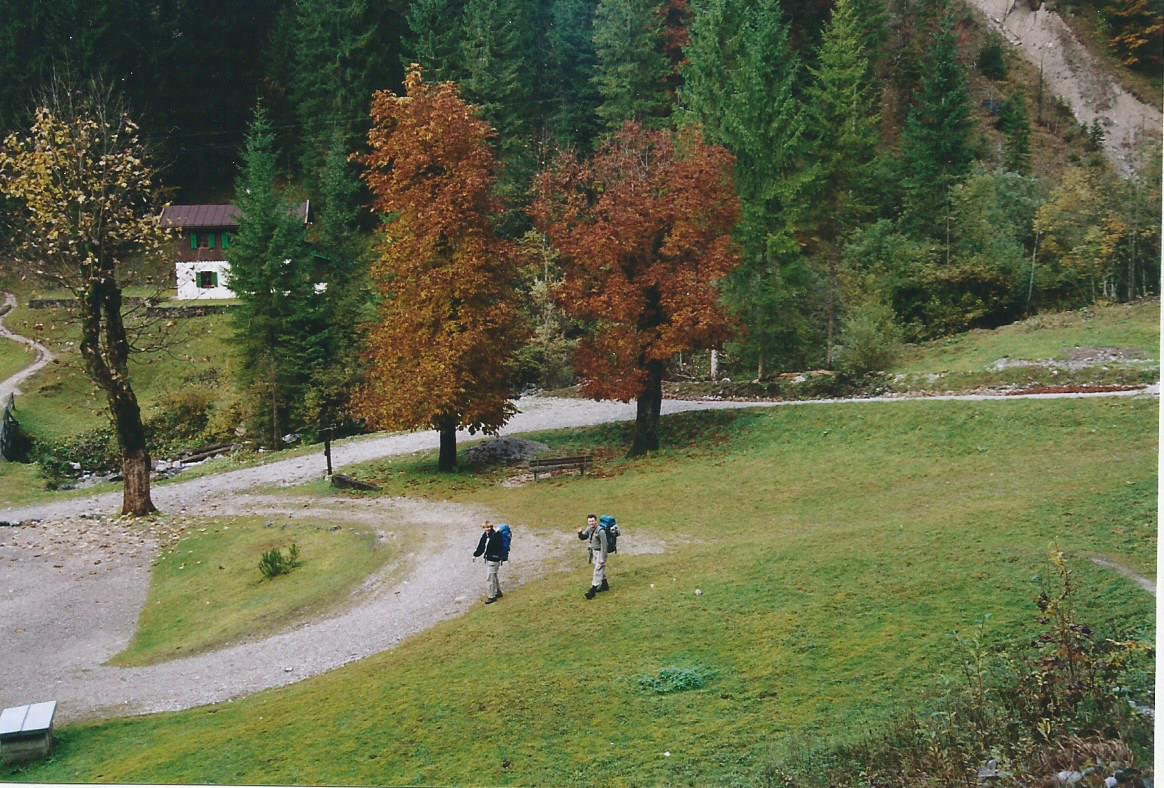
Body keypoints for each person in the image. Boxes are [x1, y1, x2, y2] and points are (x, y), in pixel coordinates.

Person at [577, 513, 609, 599]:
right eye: (589, 521)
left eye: (592, 521)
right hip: (594, 552)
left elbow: (604, 545)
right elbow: (584, 537)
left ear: (596, 521)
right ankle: (605, 585)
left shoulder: (601, 531)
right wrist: (580, 533)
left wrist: (603, 558)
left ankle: (592, 591)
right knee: (599, 568)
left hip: (600, 553)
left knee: (597, 571)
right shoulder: (589, 529)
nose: (591, 523)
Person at [473, 520, 505, 604]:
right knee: (493, 576)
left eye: (488, 527)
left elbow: (496, 547)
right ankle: (498, 592)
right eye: (485, 527)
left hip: (493, 560)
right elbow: (481, 546)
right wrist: (475, 554)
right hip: (490, 559)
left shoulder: (495, 535)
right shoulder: (486, 535)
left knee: (489, 578)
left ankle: (491, 596)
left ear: (491, 527)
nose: (486, 529)